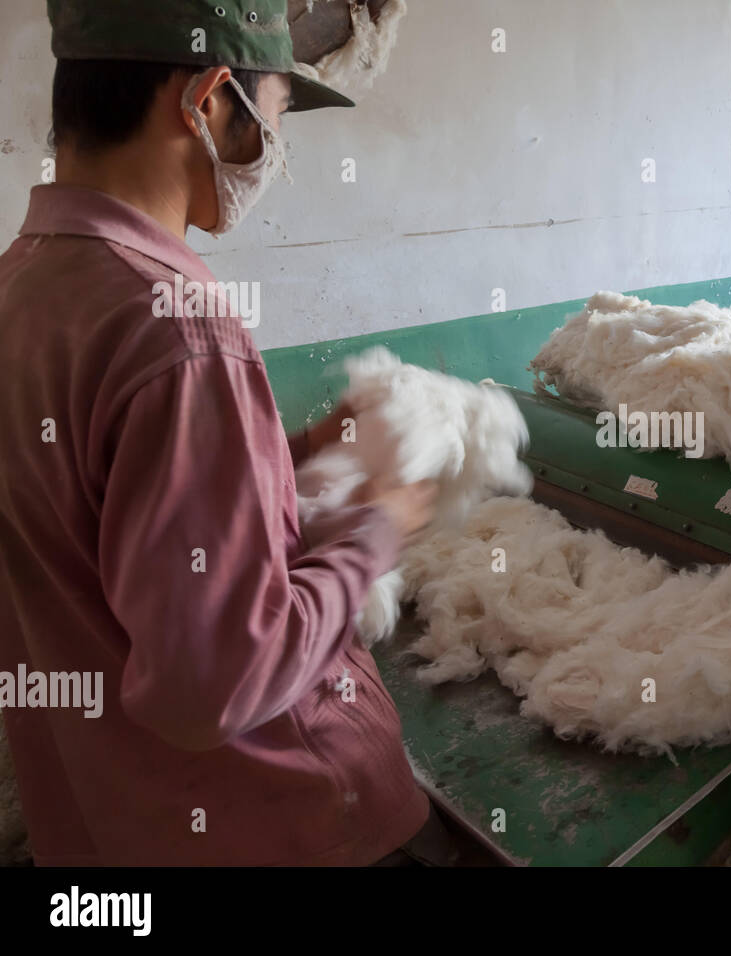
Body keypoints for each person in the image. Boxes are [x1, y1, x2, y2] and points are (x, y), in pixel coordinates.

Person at [0, 0, 455, 865]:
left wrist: (284, 466)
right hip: (276, 825)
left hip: (102, 824)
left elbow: (102, 532)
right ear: (208, 101)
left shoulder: (23, 287)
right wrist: (378, 529)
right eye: (273, 124)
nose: (271, 160)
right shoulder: (179, 329)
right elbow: (217, 685)